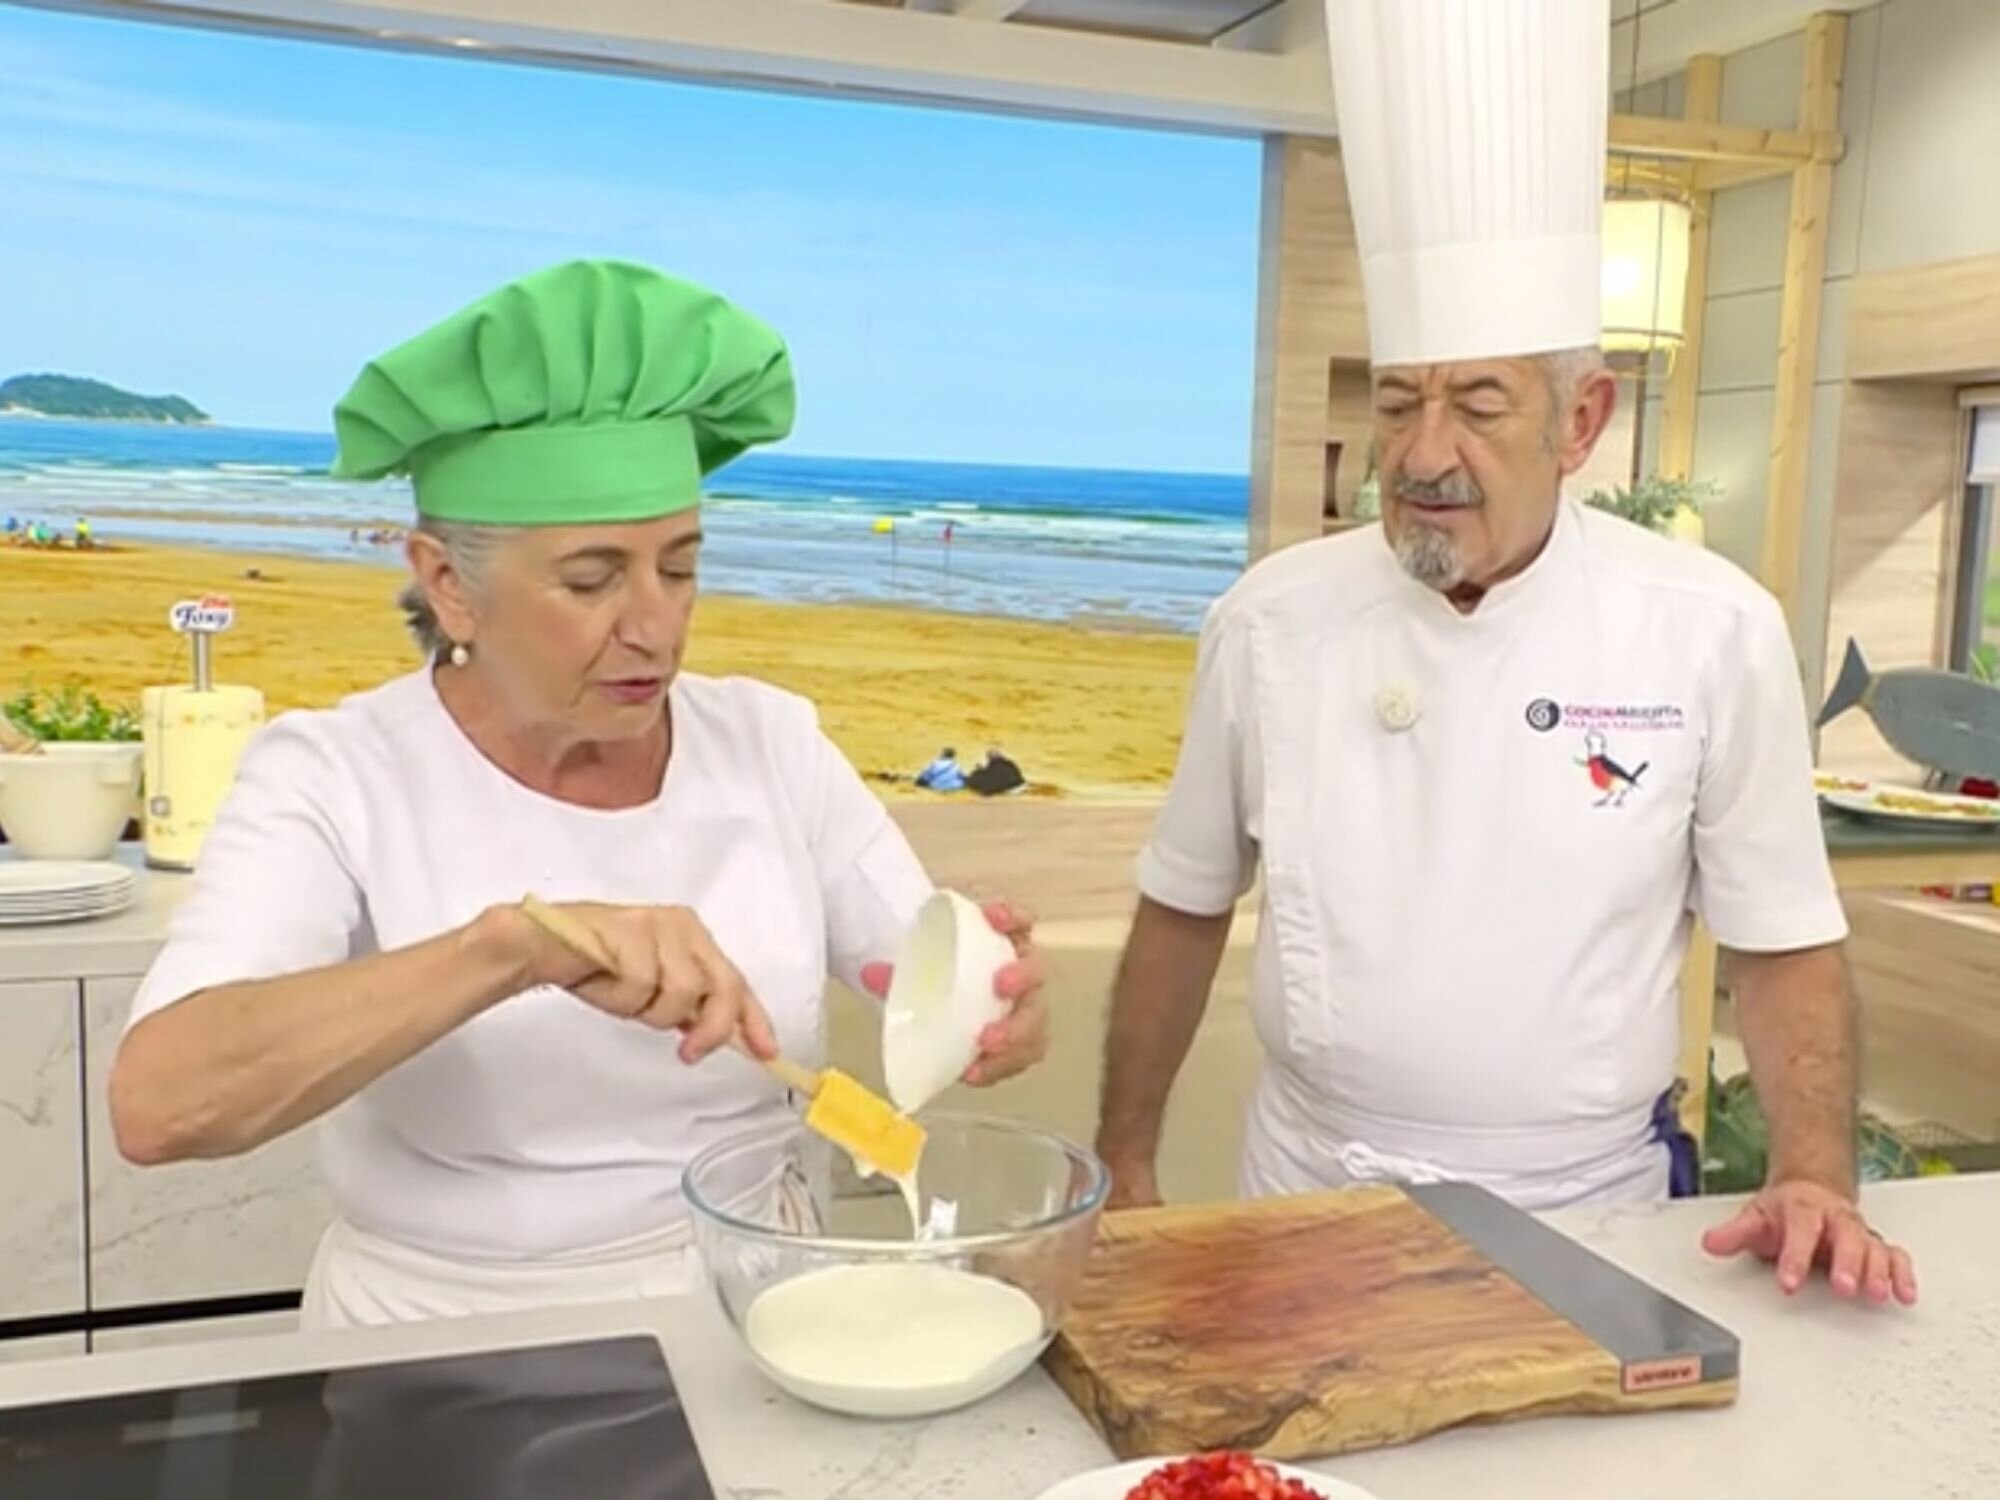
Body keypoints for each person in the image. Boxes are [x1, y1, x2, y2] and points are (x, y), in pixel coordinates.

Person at [1096, 0, 1915, 1309]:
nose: (1424, 454)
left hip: (1589, 1212)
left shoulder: (1710, 627)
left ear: (1581, 419)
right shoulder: (1270, 618)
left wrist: (1814, 1172)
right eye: (1403, 399)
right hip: (1308, 1190)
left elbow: (1782, 939)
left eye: (1479, 406)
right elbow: (1185, 905)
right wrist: (1123, 1160)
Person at [108, 260, 1050, 1329]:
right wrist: (512, 949)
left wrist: (991, 1004)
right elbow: (162, 1103)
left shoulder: (769, 742)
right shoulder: (336, 773)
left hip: (758, 1315)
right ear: (449, 582)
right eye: (592, 580)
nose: (653, 626)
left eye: (680, 567)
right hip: (444, 1347)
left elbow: (921, 970)